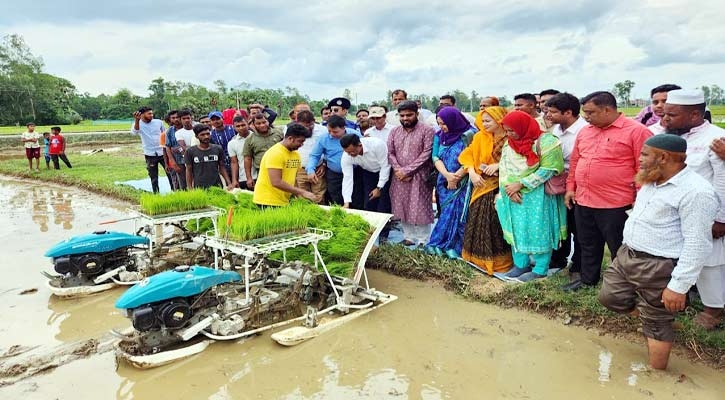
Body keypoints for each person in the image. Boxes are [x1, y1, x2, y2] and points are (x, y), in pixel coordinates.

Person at [599, 134, 719, 370]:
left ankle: (657, 376)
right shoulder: (652, 179)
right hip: (628, 255)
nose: (639, 159)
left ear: (663, 157)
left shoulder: (696, 192)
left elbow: (698, 244)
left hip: (659, 264)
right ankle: (654, 321)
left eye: (644, 154)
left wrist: (678, 286)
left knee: (656, 322)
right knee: (610, 297)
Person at [564, 91, 652, 291]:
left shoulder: (637, 131)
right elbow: (577, 161)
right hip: (584, 200)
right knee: (588, 244)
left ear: (607, 109)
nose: (585, 117)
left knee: (619, 247)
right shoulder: (585, 132)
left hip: (617, 203)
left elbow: (645, 169)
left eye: (590, 112)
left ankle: (621, 287)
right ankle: (588, 280)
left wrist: (641, 198)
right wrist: (571, 188)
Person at [662, 89, 725, 329]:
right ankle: (680, 299)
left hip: (705, 213)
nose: (664, 119)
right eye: (665, 114)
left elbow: (722, 180)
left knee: (709, 262)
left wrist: (720, 218)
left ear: (695, 114)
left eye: (671, 115)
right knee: (679, 257)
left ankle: (713, 311)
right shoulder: (672, 135)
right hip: (674, 210)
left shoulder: (716, 139)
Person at [497, 110, 567, 282]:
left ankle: (541, 268)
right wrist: (509, 190)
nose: (509, 134)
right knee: (516, 228)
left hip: (538, 195)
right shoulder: (509, 144)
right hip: (513, 195)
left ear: (523, 127)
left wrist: (521, 184)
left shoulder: (547, 142)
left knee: (539, 229)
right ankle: (521, 265)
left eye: (511, 130)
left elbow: (549, 169)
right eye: (506, 130)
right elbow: (504, 168)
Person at [458, 106, 513, 274]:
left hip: (502, 186)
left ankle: (500, 263)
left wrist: (499, 165)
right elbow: (467, 156)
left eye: (488, 121)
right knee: (477, 221)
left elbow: (518, 162)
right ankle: (477, 259)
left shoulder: (510, 139)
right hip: (480, 184)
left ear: (499, 120)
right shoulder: (480, 137)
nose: (484, 124)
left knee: (496, 223)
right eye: (482, 121)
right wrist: (472, 172)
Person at [545, 93, 587, 282]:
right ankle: (558, 260)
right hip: (557, 184)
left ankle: (578, 266)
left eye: (553, 112)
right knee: (560, 223)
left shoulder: (584, 131)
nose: (548, 115)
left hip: (577, 185)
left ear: (568, 112)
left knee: (578, 228)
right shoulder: (556, 129)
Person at [426, 107, 476, 259]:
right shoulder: (439, 136)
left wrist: (457, 177)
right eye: (439, 123)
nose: (442, 127)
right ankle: (439, 243)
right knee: (446, 213)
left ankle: (455, 246)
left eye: (444, 123)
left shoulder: (470, 135)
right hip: (444, 181)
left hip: (465, 182)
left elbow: (475, 157)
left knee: (461, 215)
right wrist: (448, 175)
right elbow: (435, 157)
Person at [387, 100, 436, 246]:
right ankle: (409, 237)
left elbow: (427, 153)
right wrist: (398, 170)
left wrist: (407, 170)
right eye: (402, 116)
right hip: (399, 177)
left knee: (421, 207)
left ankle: (423, 240)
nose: (405, 118)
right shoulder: (394, 131)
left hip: (420, 176)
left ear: (417, 114)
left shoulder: (427, 130)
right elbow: (390, 153)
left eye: (409, 115)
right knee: (402, 206)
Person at [253, 123, 317, 207]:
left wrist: (298, 196)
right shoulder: (276, 153)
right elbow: (276, 182)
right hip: (267, 200)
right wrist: (302, 192)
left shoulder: (296, 154)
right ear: (290, 139)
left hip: (284, 200)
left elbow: (294, 178)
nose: (301, 145)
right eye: (300, 141)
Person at [306, 115, 360, 205]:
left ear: (343, 128)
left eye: (335, 132)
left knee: (356, 199)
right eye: (329, 131)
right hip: (334, 175)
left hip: (355, 173)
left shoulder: (355, 135)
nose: (331, 134)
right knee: (337, 200)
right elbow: (314, 156)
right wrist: (310, 170)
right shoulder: (323, 138)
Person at [340, 134, 391, 214]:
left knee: (384, 204)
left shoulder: (377, 145)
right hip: (368, 173)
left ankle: (387, 225)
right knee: (369, 203)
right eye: (348, 152)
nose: (350, 155)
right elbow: (347, 178)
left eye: (352, 151)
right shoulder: (346, 156)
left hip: (385, 171)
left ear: (359, 145)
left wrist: (379, 188)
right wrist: (346, 202)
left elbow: (385, 166)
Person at [242, 113, 284, 189]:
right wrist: (249, 178)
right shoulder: (250, 139)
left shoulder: (278, 133)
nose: (262, 125)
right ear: (253, 125)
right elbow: (247, 159)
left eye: (264, 122)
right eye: (258, 123)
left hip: (281, 170)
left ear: (268, 122)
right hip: (262, 172)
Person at [131, 106, 167, 193]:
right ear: (142, 115)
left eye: (152, 113)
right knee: (153, 176)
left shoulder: (158, 122)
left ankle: (175, 190)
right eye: (149, 114)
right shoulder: (138, 124)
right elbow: (134, 132)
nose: (151, 115)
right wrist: (136, 120)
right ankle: (156, 194)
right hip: (150, 154)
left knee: (170, 173)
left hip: (162, 152)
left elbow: (164, 134)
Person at [294, 110, 327, 203]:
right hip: (300, 169)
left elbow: (328, 149)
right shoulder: (292, 130)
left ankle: (319, 216)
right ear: (297, 122)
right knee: (302, 196)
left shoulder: (323, 130)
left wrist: (324, 164)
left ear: (314, 120)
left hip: (318, 170)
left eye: (310, 125)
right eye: (304, 126)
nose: (308, 128)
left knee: (319, 196)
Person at [184, 124, 231, 190]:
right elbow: (188, 170)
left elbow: (222, 167)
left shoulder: (218, 148)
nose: (206, 136)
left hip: (217, 186)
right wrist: (189, 187)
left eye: (208, 134)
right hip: (199, 188)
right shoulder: (190, 151)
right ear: (196, 136)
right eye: (202, 135)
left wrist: (229, 183)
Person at [167, 109, 194, 190]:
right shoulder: (170, 131)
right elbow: (168, 148)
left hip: (194, 159)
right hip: (179, 161)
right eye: (173, 118)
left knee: (195, 181)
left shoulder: (195, 129)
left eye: (177, 117)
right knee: (183, 183)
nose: (176, 119)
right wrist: (173, 163)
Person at [208, 111, 237, 179]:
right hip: (223, 165)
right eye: (213, 120)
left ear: (222, 118)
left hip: (237, 161)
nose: (216, 121)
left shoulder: (233, 129)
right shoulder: (210, 135)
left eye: (218, 119)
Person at [228, 115, 253, 190]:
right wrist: (234, 180)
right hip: (244, 178)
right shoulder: (232, 143)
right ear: (234, 128)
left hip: (260, 175)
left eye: (243, 125)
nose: (241, 128)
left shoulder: (256, 137)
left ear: (247, 124)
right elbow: (234, 162)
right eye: (238, 126)